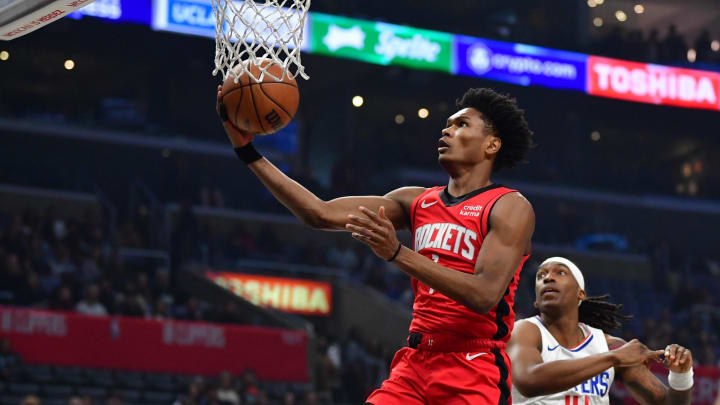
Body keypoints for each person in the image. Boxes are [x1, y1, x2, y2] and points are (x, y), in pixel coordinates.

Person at [216, 86, 535, 404]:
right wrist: (248, 152)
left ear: (492, 144)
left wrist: (397, 253)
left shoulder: (509, 206)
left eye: (461, 124)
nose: (447, 129)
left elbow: (483, 295)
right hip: (414, 362)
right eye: (448, 124)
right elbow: (319, 212)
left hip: (474, 364)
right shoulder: (416, 200)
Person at [508, 257, 694, 405]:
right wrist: (613, 358)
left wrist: (682, 376)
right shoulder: (525, 330)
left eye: (560, 272)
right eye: (541, 276)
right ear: (536, 301)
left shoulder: (609, 346)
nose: (548, 278)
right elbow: (528, 380)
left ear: (580, 294)